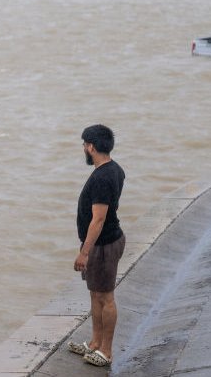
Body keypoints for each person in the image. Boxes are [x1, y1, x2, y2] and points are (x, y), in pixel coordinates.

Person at [68, 124, 126, 368]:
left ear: (91, 146)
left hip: (103, 245)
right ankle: (94, 343)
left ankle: (106, 351)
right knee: (95, 293)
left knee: (105, 297)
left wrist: (85, 252)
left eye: (84, 144)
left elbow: (99, 219)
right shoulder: (114, 169)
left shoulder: (102, 178)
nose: (83, 148)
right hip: (104, 243)